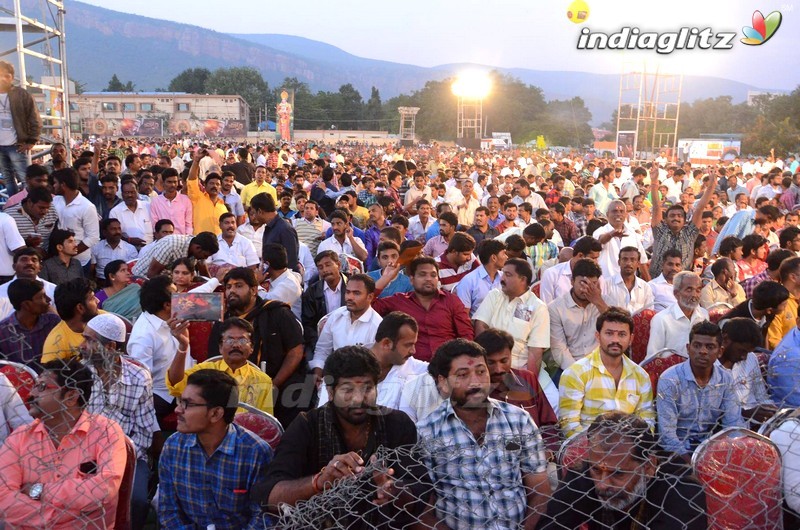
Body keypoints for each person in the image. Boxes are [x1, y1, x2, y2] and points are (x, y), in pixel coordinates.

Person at [255, 346, 425, 527]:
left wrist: (393, 490)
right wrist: (320, 482)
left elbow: (421, 491)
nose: (358, 399)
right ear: (330, 392)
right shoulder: (307, 426)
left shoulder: (397, 424)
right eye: (348, 390)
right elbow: (270, 497)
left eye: (367, 388)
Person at [417, 338, 551, 529]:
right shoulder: (427, 432)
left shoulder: (519, 421)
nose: (475, 382)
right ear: (443, 383)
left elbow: (540, 490)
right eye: (463, 375)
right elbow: (423, 510)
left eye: (481, 372)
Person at [0, 359, 127, 529]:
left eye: (42, 387)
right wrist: (65, 518)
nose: (31, 393)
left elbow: (105, 489)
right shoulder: (19, 438)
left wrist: (40, 491)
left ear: (71, 397)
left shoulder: (106, 432)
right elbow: (3, 499)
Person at [539, 413, 707, 530]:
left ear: (648, 467)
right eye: (596, 470)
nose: (603, 484)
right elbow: (551, 524)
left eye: (618, 473)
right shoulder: (586, 473)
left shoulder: (683, 489)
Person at [158, 369, 273, 529]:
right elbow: (168, 511)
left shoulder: (255, 452)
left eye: (187, 404)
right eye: (179, 401)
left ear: (216, 413)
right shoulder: (173, 447)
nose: (178, 410)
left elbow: (262, 517)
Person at [80, 313, 157, 530]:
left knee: (136, 501)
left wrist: (119, 458)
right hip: (85, 455)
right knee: (82, 498)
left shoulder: (139, 376)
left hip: (128, 455)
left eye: (90, 340)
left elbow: (144, 431)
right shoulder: (79, 375)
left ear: (111, 346)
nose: (82, 345)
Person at [206, 267, 309, 427]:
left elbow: (296, 350)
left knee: (299, 392)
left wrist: (274, 384)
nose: (232, 291)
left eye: (238, 286)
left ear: (254, 290)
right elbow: (215, 358)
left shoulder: (277, 312)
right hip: (235, 381)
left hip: (278, 380)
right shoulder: (222, 322)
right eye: (228, 287)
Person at [559, 308, 655, 438]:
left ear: (631, 339)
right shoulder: (576, 373)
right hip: (586, 448)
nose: (615, 340)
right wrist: (597, 448)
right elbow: (569, 425)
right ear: (598, 336)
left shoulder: (641, 376)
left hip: (628, 449)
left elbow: (647, 421)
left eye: (622, 334)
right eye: (609, 333)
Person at [656, 321, 745, 459]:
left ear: (720, 351)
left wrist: (731, 452)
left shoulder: (725, 379)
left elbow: (733, 425)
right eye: (697, 346)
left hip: (713, 448)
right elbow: (667, 436)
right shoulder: (670, 379)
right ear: (688, 348)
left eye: (710, 347)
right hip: (677, 452)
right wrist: (692, 463)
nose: (702, 351)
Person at [372, 256, 474, 362]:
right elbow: (367, 304)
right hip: (411, 367)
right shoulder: (399, 301)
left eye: (433, 275)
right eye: (422, 274)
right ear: (412, 280)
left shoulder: (451, 301)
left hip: (447, 364)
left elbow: (466, 335)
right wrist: (386, 278)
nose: (429, 278)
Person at [475, 328, 559, 451]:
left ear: (511, 355)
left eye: (504, 361)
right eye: (491, 363)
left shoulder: (528, 379)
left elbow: (549, 424)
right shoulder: (475, 391)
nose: (499, 369)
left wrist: (548, 452)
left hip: (538, 455)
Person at [168, 317, 273, 414]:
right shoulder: (204, 371)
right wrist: (183, 346)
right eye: (229, 340)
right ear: (220, 347)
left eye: (242, 340)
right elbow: (176, 384)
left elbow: (265, 422)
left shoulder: (263, 380)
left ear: (252, 348)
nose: (236, 345)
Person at [127, 275, 187, 428]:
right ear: (167, 305)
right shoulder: (143, 337)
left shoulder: (172, 319)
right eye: (176, 295)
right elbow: (141, 385)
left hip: (185, 381)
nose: (182, 298)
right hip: (162, 395)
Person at [650, 165, 717, 276]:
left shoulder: (690, 233)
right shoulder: (660, 230)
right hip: (657, 281)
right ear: (665, 219)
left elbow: (700, 208)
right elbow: (656, 206)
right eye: (672, 216)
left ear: (685, 220)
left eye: (679, 216)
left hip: (681, 283)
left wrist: (711, 186)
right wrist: (654, 182)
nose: (676, 218)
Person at [310, 274, 383, 377]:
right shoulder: (336, 316)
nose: (349, 297)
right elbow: (322, 349)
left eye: (356, 293)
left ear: (370, 297)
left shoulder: (377, 325)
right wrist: (318, 372)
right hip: (332, 378)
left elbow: (377, 366)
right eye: (348, 292)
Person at [549, 259, 610, 371]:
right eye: (583, 283)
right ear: (572, 281)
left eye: (593, 283)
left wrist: (598, 302)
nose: (587, 289)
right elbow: (560, 350)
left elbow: (616, 328)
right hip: (569, 367)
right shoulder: (556, 308)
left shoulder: (606, 303)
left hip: (602, 364)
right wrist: (578, 373)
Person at [717, 318, 777, 424]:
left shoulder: (751, 358)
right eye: (741, 351)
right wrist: (744, 413)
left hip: (757, 424)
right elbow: (709, 411)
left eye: (748, 352)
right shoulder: (709, 366)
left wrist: (771, 411)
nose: (744, 357)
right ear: (725, 339)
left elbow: (761, 395)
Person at [646, 271, 710, 360]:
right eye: (689, 289)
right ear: (676, 294)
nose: (694, 295)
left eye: (698, 290)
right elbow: (652, 358)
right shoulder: (662, 319)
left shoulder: (703, 315)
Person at [0, 60, 41, 196]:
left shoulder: (21, 94)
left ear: (12, 77)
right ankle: (13, 205)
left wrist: (31, 141)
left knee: (24, 178)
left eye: (6, 75)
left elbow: (34, 117)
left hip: (16, 144)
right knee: (7, 178)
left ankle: (29, 204)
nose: (3, 78)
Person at [0, 278, 59, 369]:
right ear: (26, 304)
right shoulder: (3, 331)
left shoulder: (53, 322)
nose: (48, 299)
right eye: (42, 297)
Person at [51, 168, 100, 273]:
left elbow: (93, 237)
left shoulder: (87, 207)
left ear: (63, 185)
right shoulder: (55, 201)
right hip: (57, 260)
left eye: (55, 183)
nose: (53, 186)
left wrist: (70, 252)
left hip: (79, 262)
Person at [40, 278, 99, 365]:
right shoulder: (55, 342)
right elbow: (50, 375)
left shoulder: (104, 318)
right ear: (80, 308)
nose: (98, 301)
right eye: (92, 298)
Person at [301, 250, 347, 354]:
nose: (325, 270)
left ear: (338, 265)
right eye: (320, 267)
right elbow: (308, 323)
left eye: (328, 265)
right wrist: (320, 345)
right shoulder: (312, 292)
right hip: (320, 340)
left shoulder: (351, 287)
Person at [592, 200, 649, 278]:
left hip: (628, 284)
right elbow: (599, 241)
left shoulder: (632, 234)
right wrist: (611, 235)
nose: (618, 214)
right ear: (607, 214)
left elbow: (642, 261)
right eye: (614, 211)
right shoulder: (599, 231)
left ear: (626, 214)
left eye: (621, 211)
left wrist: (649, 283)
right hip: (606, 282)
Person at [539, 236, 602, 303]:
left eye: (597, 258)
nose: (596, 262)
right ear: (580, 255)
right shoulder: (552, 274)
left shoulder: (598, 277)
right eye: (593, 258)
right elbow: (546, 306)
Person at [0, 247, 56, 320]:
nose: (29, 263)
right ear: (14, 267)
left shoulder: (53, 290)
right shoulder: (1, 291)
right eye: (24, 259)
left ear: (40, 268)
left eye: (34, 260)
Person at [131, 232, 218, 278]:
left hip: (169, 280)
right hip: (142, 278)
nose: (205, 258)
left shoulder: (199, 248)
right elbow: (151, 274)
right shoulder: (172, 245)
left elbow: (204, 274)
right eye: (205, 255)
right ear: (198, 248)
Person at [455, 238, 506, 317]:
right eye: (503, 254)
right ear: (494, 258)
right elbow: (464, 316)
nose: (506, 257)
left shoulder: (504, 278)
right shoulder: (468, 281)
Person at [602, 246, 655, 314]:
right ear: (619, 262)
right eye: (625, 259)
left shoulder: (645, 287)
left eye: (632, 260)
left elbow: (648, 313)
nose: (628, 263)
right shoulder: (607, 284)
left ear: (638, 264)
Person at [255, 192, 300, 273]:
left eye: (254, 212)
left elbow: (290, 263)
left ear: (259, 211)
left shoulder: (285, 229)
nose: (254, 216)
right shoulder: (269, 227)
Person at [6, 185, 59, 253]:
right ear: (30, 202)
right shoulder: (10, 216)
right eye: (41, 208)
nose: (45, 211)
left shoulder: (52, 211)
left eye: (47, 208)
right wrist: (26, 244)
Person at [187, 153, 229, 235]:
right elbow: (192, 179)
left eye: (217, 184)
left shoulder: (223, 206)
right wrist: (196, 161)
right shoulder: (197, 197)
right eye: (211, 183)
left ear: (220, 187)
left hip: (218, 245)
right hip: (200, 243)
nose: (214, 186)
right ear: (205, 185)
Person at [261, 243, 303, 318]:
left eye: (261, 261)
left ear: (267, 264)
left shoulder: (290, 283)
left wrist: (255, 284)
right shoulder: (273, 279)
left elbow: (268, 304)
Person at [109, 179, 153, 249]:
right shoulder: (115, 212)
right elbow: (113, 234)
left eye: (132, 192)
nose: (130, 195)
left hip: (151, 249)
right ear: (122, 194)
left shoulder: (148, 206)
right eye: (126, 192)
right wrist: (129, 240)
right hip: (127, 251)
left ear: (137, 192)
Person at [149, 167, 193, 234]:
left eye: (175, 182)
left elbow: (188, 224)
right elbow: (154, 224)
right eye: (169, 182)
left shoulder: (186, 200)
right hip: (162, 241)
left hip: (182, 240)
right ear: (163, 183)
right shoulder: (155, 202)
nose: (173, 185)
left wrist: (187, 240)